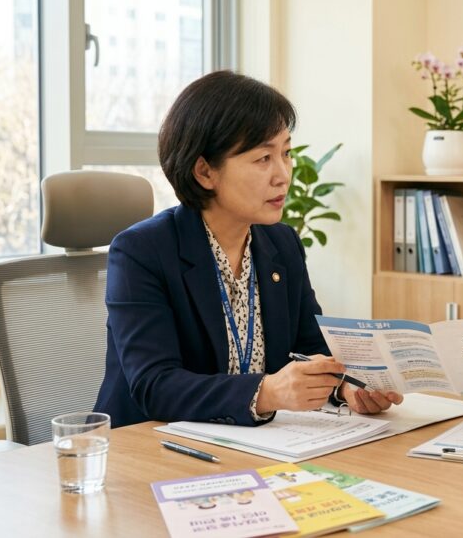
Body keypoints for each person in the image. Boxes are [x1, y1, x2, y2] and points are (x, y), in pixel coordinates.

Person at [94, 71, 402, 427]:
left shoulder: (281, 244)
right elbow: (154, 385)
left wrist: (346, 388)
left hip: (254, 447)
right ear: (205, 171)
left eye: (285, 154)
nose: (284, 174)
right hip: (151, 449)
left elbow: (309, 346)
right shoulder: (141, 252)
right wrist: (266, 392)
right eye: (263, 159)